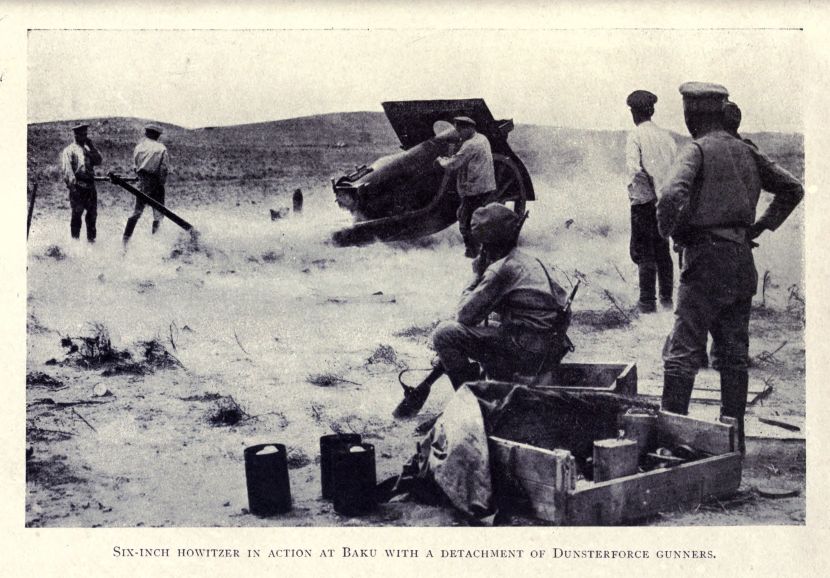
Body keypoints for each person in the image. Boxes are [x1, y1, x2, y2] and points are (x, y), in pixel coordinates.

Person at [657, 82, 804, 453]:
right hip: (741, 261)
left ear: (693, 114)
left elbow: (672, 194)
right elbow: (792, 189)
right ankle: (732, 443)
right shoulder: (746, 151)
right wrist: (758, 226)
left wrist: (672, 233)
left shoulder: (697, 149)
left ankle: (670, 442)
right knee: (733, 353)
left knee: (683, 349)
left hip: (704, 261)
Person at [431, 203, 571, 389]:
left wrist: (475, 276)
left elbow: (464, 315)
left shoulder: (501, 270)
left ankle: (470, 398)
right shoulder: (529, 260)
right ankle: (497, 386)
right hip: (550, 348)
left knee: (444, 334)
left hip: (529, 353)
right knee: (495, 330)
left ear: (486, 245)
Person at [625, 90, 678, 313]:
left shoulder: (635, 136)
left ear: (635, 113)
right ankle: (666, 300)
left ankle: (647, 303)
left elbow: (635, 170)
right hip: (665, 202)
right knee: (663, 250)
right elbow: (676, 171)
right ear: (652, 111)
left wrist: (649, 193)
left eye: (633, 111)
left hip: (644, 202)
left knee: (644, 251)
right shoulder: (667, 137)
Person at [436, 116, 497, 258]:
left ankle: (472, 252)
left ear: (469, 128)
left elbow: (453, 164)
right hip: (486, 186)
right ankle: (481, 249)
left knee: (464, 221)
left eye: (461, 130)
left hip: (475, 189)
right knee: (474, 218)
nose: (459, 134)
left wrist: (440, 160)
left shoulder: (470, 145)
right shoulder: (482, 138)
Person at [123, 125, 170, 244]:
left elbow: (135, 166)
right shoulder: (161, 148)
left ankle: (125, 242)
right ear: (157, 135)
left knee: (137, 212)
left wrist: (141, 177)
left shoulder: (139, 147)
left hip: (142, 183)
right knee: (158, 214)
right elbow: (164, 169)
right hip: (155, 182)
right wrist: (160, 183)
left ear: (146, 133)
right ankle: (155, 242)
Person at [60, 123, 103, 242]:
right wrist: (72, 187)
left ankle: (91, 243)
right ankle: (75, 244)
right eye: (81, 134)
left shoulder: (88, 149)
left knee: (92, 216)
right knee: (77, 215)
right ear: (75, 135)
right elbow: (67, 170)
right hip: (77, 186)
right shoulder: (69, 150)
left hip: (90, 187)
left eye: (86, 134)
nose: (84, 137)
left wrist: (91, 146)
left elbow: (99, 161)